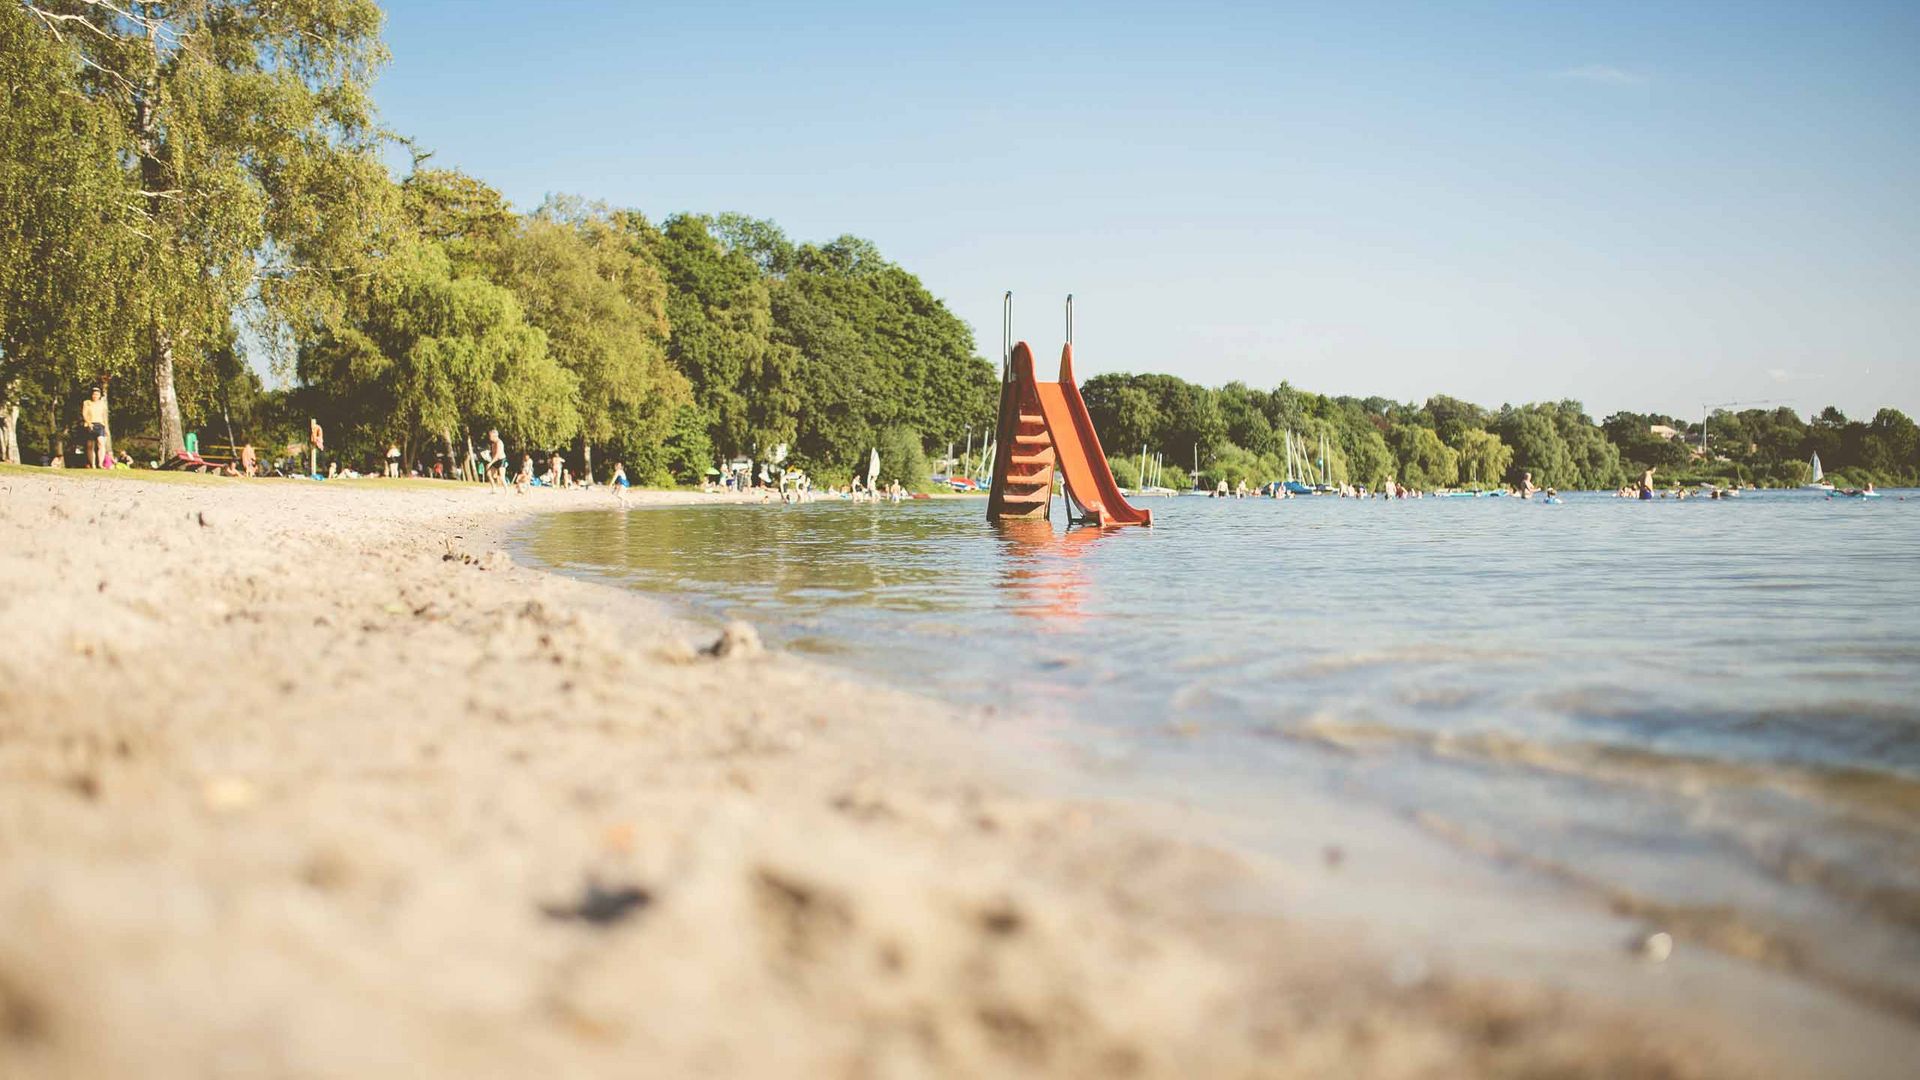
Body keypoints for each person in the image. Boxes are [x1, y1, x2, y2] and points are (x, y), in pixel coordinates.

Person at [80, 386, 109, 468]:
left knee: (101, 443)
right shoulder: (87, 403)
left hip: (100, 424)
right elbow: (84, 414)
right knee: (90, 445)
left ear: (99, 395)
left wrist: (106, 428)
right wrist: (88, 423)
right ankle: (93, 464)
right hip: (90, 424)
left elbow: (104, 416)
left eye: (97, 394)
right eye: (94, 394)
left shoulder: (102, 404)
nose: (95, 396)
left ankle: (100, 463)